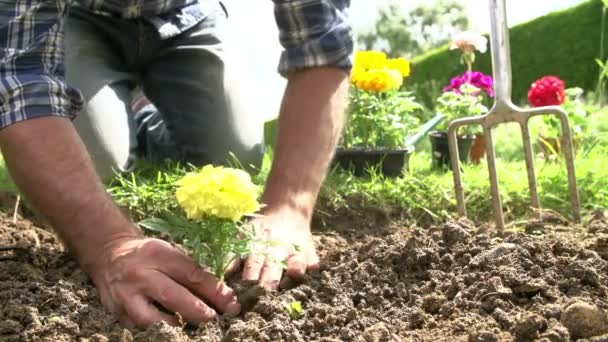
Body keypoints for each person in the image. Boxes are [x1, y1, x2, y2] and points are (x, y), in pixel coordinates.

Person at [0, 0, 353, 330]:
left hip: (183, 16)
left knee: (236, 155)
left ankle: (142, 115)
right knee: (101, 163)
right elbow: (18, 77)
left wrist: (289, 206)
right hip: (78, 19)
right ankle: (121, 105)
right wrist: (110, 246)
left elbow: (322, 41)